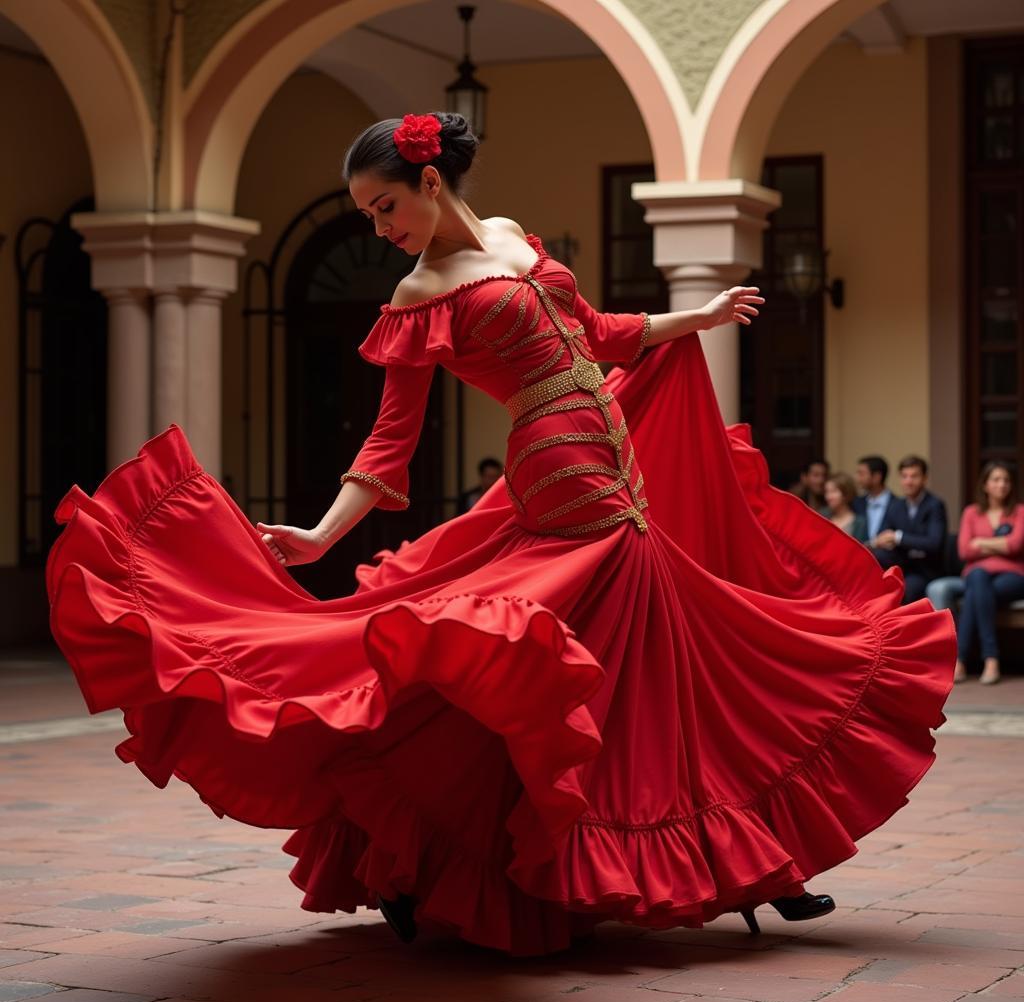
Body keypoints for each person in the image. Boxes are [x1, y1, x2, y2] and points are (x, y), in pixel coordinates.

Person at [45, 112, 956, 957]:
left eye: (386, 205)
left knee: (668, 683)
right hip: (560, 500)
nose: (380, 227)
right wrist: (323, 537)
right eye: (367, 215)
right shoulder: (418, 292)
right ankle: (411, 856)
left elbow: (600, 332)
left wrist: (702, 319)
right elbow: (388, 441)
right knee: (513, 678)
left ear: (431, 179)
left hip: (622, 484)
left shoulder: (518, 240)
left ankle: (759, 862)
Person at [944, 462, 1024, 685]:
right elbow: (964, 550)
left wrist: (980, 543)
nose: (1002, 485)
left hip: (1013, 576)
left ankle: (960, 660)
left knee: (975, 594)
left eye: (1006, 480)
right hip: (978, 575)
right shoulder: (971, 512)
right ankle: (991, 659)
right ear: (986, 485)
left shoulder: (1020, 512)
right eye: (996, 480)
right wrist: (999, 544)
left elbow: (1016, 546)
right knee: (978, 581)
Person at [870, 456, 948, 604]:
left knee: (905, 591)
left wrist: (898, 538)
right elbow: (882, 534)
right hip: (899, 566)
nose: (909, 481)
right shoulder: (896, 505)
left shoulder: (935, 505)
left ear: (925, 478)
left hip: (925, 570)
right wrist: (883, 540)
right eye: (904, 476)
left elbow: (934, 543)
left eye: (914, 476)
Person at [852, 455, 893, 541]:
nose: (857, 478)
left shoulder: (898, 505)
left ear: (876, 477)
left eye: (861, 474)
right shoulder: (856, 503)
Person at [823, 472, 867, 541]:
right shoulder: (823, 516)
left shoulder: (859, 523)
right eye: (827, 491)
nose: (828, 496)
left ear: (846, 493)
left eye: (833, 491)